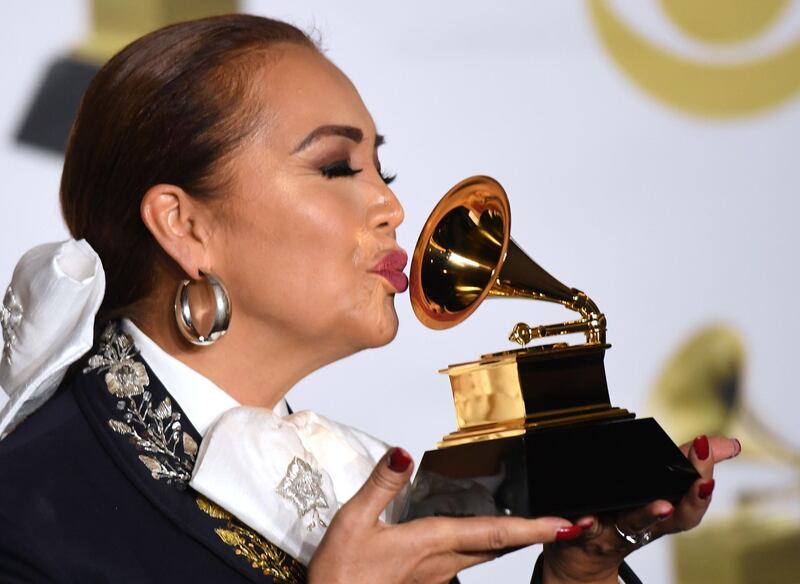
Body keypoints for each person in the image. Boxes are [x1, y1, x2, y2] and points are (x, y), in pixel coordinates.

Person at [0, 14, 739, 584]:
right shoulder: (26, 505)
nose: (390, 205)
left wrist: (585, 572)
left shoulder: (352, 481)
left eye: (382, 167)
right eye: (334, 167)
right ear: (185, 225)